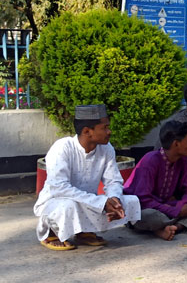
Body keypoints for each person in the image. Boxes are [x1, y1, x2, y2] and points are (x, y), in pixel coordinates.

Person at [33, 105, 141, 251]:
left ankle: (84, 231)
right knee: (68, 206)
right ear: (87, 132)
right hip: (56, 201)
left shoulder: (107, 148)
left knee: (131, 201)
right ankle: (52, 232)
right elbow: (59, 187)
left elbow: (113, 180)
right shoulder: (62, 148)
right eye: (105, 127)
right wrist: (102, 202)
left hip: (89, 201)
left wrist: (114, 199)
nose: (109, 132)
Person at [124, 121, 187, 241]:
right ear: (176, 144)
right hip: (144, 209)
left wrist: (183, 206)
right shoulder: (150, 160)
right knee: (150, 216)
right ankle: (183, 224)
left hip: (168, 207)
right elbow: (143, 200)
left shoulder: (185, 159)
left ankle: (174, 227)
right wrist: (177, 212)